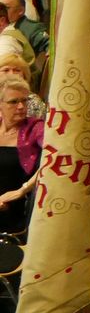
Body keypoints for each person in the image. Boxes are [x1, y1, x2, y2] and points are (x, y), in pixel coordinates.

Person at [0, 77, 43, 234]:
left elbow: (54, 158)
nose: (21, 107)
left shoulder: (36, 128)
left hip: (13, 210)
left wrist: (22, 190)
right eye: (13, 102)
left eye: (24, 101)